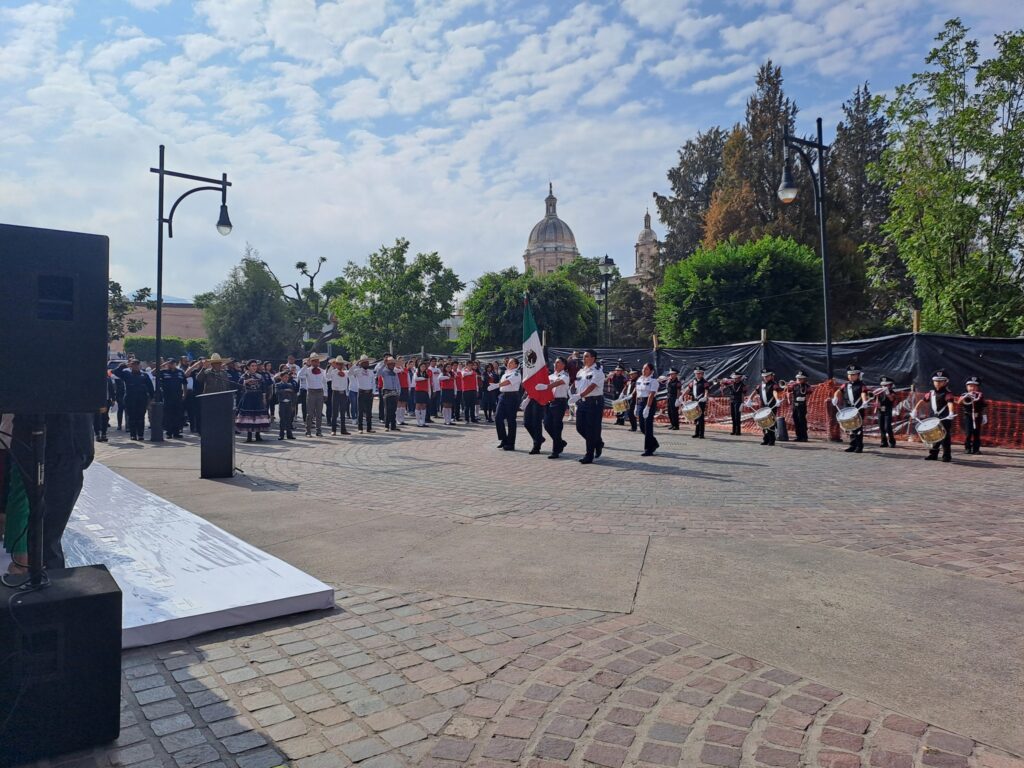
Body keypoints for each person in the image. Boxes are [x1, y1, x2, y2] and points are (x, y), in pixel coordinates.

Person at [8, 413, 94, 570]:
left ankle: (42, 575)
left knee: (46, 527)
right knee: (45, 528)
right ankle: (46, 578)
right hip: (49, 444)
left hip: (56, 444)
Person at [573, 350, 605, 464]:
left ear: (593, 358)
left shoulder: (598, 372)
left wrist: (579, 395)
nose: (584, 358)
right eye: (584, 356)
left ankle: (589, 455)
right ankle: (597, 443)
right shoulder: (581, 372)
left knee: (591, 429)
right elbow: (578, 386)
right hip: (582, 402)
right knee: (580, 427)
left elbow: (592, 386)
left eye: (586, 356)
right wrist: (575, 396)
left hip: (594, 402)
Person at [916, 370, 955, 462]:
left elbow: (950, 403)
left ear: (946, 382)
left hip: (945, 418)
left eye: (941, 381)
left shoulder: (947, 393)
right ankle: (933, 454)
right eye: (936, 381)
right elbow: (922, 401)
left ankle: (947, 456)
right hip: (934, 417)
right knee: (933, 436)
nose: (938, 383)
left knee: (945, 437)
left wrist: (951, 413)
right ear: (933, 382)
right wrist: (915, 410)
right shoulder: (931, 393)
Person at [115, 359, 154, 440]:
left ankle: (140, 435)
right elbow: (115, 372)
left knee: (140, 417)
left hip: (142, 399)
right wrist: (125, 364)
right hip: (130, 398)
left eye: (136, 364)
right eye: (133, 364)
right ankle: (133, 435)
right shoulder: (126, 374)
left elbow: (150, 388)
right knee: (132, 417)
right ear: (130, 366)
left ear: (139, 365)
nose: (135, 366)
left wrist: (151, 399)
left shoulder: (144, 375)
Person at [833, 364, 868, 453]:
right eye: (849, 374)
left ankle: (859, 446)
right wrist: (835, 398)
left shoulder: (861, 385)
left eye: (853, 375)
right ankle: (852, 445)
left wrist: (864, 401)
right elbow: (838, 391)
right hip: (848, 408)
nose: (851, 376)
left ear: (858, 375)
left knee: (858, 428)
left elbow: (863, 393)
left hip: (858, 409)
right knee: (850, 428)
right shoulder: (845, 385)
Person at [236, 359, 270, 442]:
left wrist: (264, 398)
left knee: (258, 416)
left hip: (258, 397)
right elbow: (239, 386)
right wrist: (245, 382)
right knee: (249, 416)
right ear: (248, 367)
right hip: (248, 398)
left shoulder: (259, 376)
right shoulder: (244, 376)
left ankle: (258, 435)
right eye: (252, 366)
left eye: (255, 366)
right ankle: (249, 436)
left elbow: (263, 388)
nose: (254, 367)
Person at [544, 357, 571, 458]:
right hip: (549, 402)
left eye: (558, 363)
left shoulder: (565, 375)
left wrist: (546, 386)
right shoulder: (550, 376)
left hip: (559, 402)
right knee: (546, 424)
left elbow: (558, 383)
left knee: (556, 426)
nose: (555, 364)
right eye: (555, 363)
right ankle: (560, 442)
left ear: (563, 365)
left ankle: (555, 451)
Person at [495, 357, 521, 450]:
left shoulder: (516, 373)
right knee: (498, 417)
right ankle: (504, 439)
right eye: (508, 362)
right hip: (502, 396)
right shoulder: (505, 373)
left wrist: (496, 385)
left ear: (516, 365)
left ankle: (511, 443)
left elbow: (508, 382)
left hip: (512, 397)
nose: (509, 364)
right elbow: (502, 383)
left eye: (512, 362)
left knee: (511, 420)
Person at [157, 358, 187, 439]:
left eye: (173, 363)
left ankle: (176, 432)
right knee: (168, 415)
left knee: (178, 415)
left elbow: (184, 383)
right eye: (170, 363)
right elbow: (153, 373)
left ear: (175, 363)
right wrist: (163, 365)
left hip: (178, 396)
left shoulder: (180, 372)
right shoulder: (163, 372)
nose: (171, 364)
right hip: (167, 397)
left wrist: (184, 393)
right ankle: (169, 433)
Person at [636, 362, 660, 456]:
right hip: (640, 402)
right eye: (643, 368)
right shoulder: (639, 379)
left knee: (648, 426)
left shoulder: (653, 381)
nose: (643, 370)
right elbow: (637, 393)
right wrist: (636, 406)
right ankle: (654, 443)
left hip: (649, 402)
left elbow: (651, 394)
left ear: (651, 371)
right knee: (642, 427)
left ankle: (648, 449)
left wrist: (648, 407)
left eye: (646, 369)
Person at [752, 369, 782, 446]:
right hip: (763, 407)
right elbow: (755, 391)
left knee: (771, 423)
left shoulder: (773, 384)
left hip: (771, 407)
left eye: (767, 376)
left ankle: (772, 440)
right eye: (764, 376)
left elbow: (775, 392)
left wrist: (777, 399)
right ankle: (766, 439)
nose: (765, 378)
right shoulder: (761, 385)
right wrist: (749, 399)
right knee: (763, 423)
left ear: (771, 376)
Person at [958, 376, 986, 455]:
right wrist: (965, 396)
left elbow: (984, 406)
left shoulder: (980, 395)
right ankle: (967, 448)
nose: (972, 388)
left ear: (978, 387)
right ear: (967, 387)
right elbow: (959, 402)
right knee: (968, 433)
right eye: (970, 386)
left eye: (975, 386)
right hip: (968, 416)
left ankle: (976, 449)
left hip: (977, 416)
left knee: (976, 433)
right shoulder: (964, 394)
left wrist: (984, 415)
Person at [303, 354, 328, 437]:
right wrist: (306, 365)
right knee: (309, 413)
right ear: (311, 362)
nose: (316, 362)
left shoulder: (322, 371)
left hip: (320, 392)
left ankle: (319, 431)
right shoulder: (307, 370)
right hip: (311, 392)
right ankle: (308, 431)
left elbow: (325, 383)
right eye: (313, 361)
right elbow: (299, 375)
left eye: (317, 361)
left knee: (319, 413)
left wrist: (325, 394)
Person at [350, 355, 376, 433]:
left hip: (369, 392)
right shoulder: (357, 370)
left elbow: (373, 382)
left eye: (367, 362)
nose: (366, 364)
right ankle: (360, 428)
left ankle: (369, 428)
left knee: (369, 411)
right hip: (361, 392)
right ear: (361, 363)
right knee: (360, 411)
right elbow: (349, 373)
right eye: (364, 362)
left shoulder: (371, 371)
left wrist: (373, 392)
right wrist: (355, 364)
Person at [376, 356, 401, 431]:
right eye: (390, 364)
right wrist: (384, 364)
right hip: (387, 391)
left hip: (394, 392)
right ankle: (387, 425)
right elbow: (378, 373)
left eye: (393, 364)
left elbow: (398, 383)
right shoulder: (384, 371)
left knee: (393, 410)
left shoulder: (394, 372)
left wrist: (399, 391)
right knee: (387, 409)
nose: (392, 365)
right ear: (388, 364)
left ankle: (393, 426)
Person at [326, 357, 351, 435]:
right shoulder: (333, 372)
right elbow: (327, 376)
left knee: (343, 412)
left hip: (343, 393)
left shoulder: (346, 372)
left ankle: (343, 430)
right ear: (336, 364)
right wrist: (331, 365)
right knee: (335, 412)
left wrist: (352, 365)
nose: (340, 365)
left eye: (341, 364)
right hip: (335, 393)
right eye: (338, 364)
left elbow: (352, 372)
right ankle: (333, 430)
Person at [685, 365, 710, 439]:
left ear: (702, 374)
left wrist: (705, 397)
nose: (698, 375)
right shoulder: (693, 382)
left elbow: (706, 390)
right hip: (694, 401)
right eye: (696, 373)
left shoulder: (705, 382)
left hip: (701, 401)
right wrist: (682, 396)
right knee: (695, 417)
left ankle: (701, 434)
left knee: (701, 417)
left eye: (699, 373)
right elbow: (688, 389)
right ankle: (696, 433)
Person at [275, 369, 299, 440]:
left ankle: (289, 434)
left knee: (289, 419)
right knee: (282, 419)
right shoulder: (278, 384)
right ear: (281, 377)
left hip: (289, 403)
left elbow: (293, 394)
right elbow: (277, 392)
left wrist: (293, 404)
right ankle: (281, 434)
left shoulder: (290, 384)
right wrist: (285, 390)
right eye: (285, 377)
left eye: (287, 377)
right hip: (282, 403)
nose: (286, 378)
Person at [789, 370, 812, 442]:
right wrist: (789, 385)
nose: (798, 380)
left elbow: (810, 392)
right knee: (796, 420)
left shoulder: (806, 386)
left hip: (802, 406)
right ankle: (798, 436)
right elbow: (787, 391)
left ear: (804, 379)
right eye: (798, 378)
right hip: (795, 406)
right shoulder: (794, 386)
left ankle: (804, 437)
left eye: (800, 378)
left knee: (802, 421)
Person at [94, 371, 116, 443]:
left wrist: (113, 399)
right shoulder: (95, 379)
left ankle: (104, 434)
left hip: (106, 401)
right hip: (97, 401)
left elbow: (111, 390)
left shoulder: (108, 379)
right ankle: (97, 434)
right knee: (97, 418)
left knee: (105, 418)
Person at [875, 376, 897, 448]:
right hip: (880, 410)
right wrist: (876, 404)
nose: (883, 386)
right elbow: (875, 399)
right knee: (881, 427)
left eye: (885, 385)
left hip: (887, 410)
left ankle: (892, 441)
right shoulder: (879, 392)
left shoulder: (892, 392)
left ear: (890, 385)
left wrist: (887, 393)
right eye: (882, 385)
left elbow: (891, 399)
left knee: (887, 427)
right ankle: (883, 442)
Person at [724, 371, 746, 435]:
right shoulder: (731, 384)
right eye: (734, 378)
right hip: (732, 401)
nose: (735, 379)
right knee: (733, 416)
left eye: (736, 378)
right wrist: (725, 380)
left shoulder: (742, 385)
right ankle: (733, 430)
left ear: (740, 378)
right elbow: (723, 383)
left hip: (738, 401)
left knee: (737, 416)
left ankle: (738, 431)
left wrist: (742, 403)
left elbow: (743, 394)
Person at [413, 361, 432, 426]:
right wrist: (423, 378)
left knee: (424, 406)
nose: (423, 368)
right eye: (422, 366)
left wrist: (429, 393)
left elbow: (429, 384)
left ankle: (423, 421)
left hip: (425, 391)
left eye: (424, 366)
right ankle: (418, 422)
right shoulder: (416, 373)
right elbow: (415, 379)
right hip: (418, 391)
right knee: (418, 406)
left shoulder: (427, 374)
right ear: (419, 367)